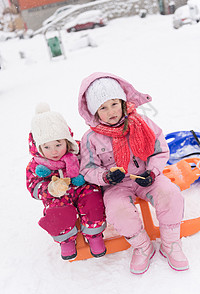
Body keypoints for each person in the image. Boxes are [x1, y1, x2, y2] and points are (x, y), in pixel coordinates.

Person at [78, 72, 189, 274]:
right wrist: (105, 176)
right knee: (118, 210)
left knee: (170, 194)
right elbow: (87, 168)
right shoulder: (90, 138)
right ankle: (142, 246)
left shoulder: (142, 123)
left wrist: (153, 172)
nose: (110, 111)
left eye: (114, 103)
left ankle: (171, 243)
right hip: (116, 185)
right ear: (94, 112)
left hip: (147, 176)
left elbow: (160, 150)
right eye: (103, 107)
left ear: (122, 102)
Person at [26, 103, 106, 261]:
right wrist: (49, 189)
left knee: (93, 200)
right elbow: (32, 185)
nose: (54, 151)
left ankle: (94, 234)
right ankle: (66, 240)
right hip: (57, 196)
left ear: (66, 141)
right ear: (38, 147)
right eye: (47, 147)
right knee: (57, 211)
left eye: (58, 144)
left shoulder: (78, 151)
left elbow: (92, 163)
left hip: (81, 188)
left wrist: (85, 176)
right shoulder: (36, 165)